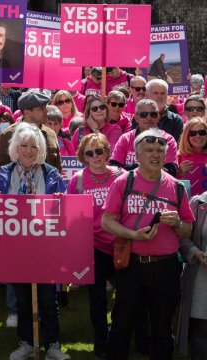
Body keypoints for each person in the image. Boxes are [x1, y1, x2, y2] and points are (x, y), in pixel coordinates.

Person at [101, 129, 194, 360]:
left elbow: (187, 229)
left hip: (166, 267)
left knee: (162, 328)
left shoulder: (177, 187)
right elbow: (107, 221)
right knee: (122, 323)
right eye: (149, 150)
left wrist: (178, 223)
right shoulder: (124, 182)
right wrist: (133, 235)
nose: (155, 155)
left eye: (160, 151)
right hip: (132, 264)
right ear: (137, 155)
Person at [0, 122, 69, 360]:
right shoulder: (3, 174)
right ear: (15, 147)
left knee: (46, 297)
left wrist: (60, 199)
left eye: (34, 146)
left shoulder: (51, 174)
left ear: (41, 149)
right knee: (23, 297)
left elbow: (63, 210)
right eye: (23, 145)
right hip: (16, 247)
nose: (28, 151)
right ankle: (25, 341)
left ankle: (52, 344)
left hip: (45, 245)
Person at [67, 133, 124, 357]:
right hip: (94, 247)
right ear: (84, 156)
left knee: (126, 297)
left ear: (107, 152)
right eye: (90, 153)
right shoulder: (78, 181)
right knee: (97, 298)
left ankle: (119, 335)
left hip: (121, 245)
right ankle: (101, 339)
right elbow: (71, 217)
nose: (95, 156)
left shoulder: (121, 176)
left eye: (99, 151)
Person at [0, 91, 62, 172]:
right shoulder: (8, 135)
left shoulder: (51, 134)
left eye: (45, 108)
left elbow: (57, 168)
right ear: (27, 112)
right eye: (41, 108)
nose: (46, 111)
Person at [111, 100, 179, 176]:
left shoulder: (168, 140)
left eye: (153, 114)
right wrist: (140, 167)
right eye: (144, 114)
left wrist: (129, 169)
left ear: (158, 117)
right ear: (136, 118)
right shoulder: (125, 139)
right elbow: (114, 167)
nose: (149, 118)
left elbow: (171, 171)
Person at [178, 191, 207, 360]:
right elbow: (183, 238)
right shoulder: (198, 203)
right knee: (200, 332)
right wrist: (195, 253)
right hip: (201, 280)